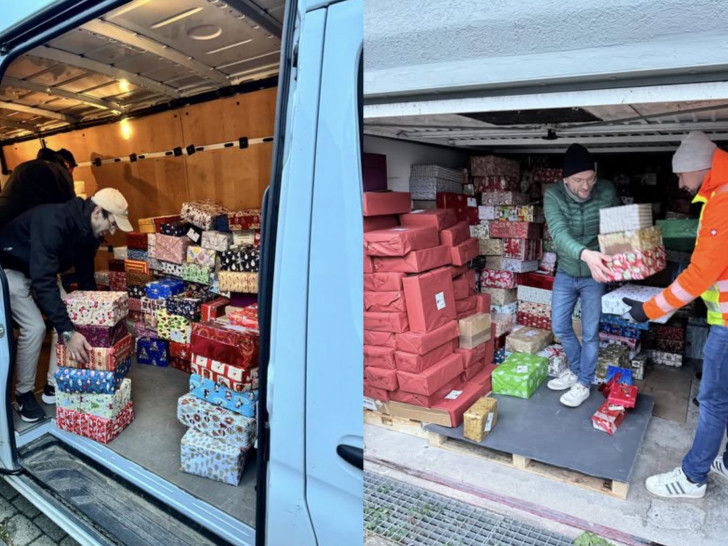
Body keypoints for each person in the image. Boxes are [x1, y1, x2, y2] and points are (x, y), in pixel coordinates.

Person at [623, 131, 728, 499]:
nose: (680, 183)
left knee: (714, 400)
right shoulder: (721, 191)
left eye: (681, 176)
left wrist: (648, 310)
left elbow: (700, 276)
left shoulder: (723, 200)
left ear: (698, 167)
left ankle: (693, 477)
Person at [0, 188, 133, 422]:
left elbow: (85, 277)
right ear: (97, 212)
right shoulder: (54, 222)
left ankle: (54, 384)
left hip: (42, 269)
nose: (112, 232)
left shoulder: (89, 234)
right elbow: (43, 281)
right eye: (112, 224)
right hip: (11, 267)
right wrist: (68, 331)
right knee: (35, 327)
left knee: (70, 318)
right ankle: (23, 394)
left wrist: (94, 316)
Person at [543, 144, 621, 407]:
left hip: (594, 275)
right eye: (578, 180)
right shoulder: (553, 196)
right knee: (560, 326)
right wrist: (585, 253)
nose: (585, 186)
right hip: (567, 269)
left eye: (590, 179)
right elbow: (559, 233)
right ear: (565, 179)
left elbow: (619, 226)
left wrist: (626, 256)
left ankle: (584, 382)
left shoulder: (607, 191)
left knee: (590, 332)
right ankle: (576, 371)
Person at [0, 149, 76, 230]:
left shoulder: (21, 167)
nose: (71, 174)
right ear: (67, 164)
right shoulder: (59, 170)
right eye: (72, 170)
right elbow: (71, 207)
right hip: (23, 225)